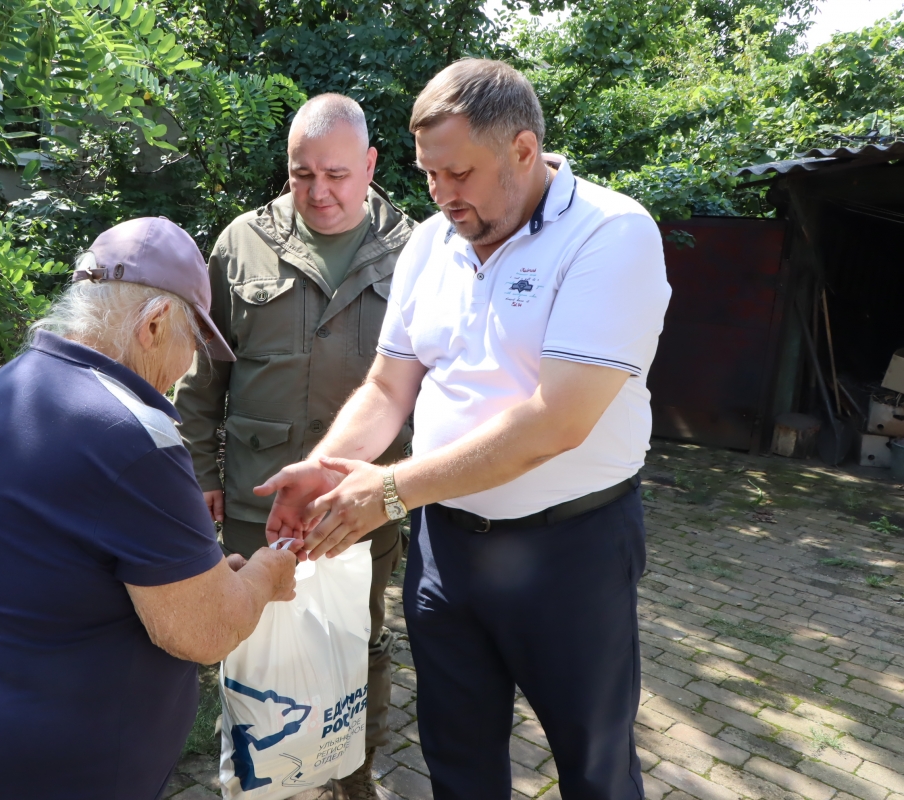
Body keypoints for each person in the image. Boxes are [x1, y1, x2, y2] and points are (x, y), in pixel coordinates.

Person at [256, 60, 672, 800]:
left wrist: (387, 490)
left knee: (595, 767)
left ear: (522, 148)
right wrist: (328, 467)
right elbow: (390, 385)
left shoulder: (611, 234)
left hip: (570, 551)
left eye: (460, 173)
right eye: (429, 176)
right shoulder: (430, 245)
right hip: (445, 546)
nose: (444, 195)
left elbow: (557, 420)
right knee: (457, 760)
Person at [0, 218, 301, 800]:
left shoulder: (12, 385)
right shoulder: (132, 433)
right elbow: (205, 631)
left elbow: (74, 566)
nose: (189, 364)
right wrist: (265, 576)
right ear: (156, 324)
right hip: (58, 765)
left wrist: (213, 581)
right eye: (193, 340)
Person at [172, 93, 416, 798]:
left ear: (370, 165)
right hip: (260, 493)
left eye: (337, 174)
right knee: (253, 641)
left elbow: (438, 382)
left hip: (361, 499)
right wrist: (198, 470)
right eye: (301, 173)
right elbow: (203, 373)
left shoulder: (417, 251)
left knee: (358, 640)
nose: (319, 192)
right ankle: (257, 778)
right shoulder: (240, 242)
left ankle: (351, 770)